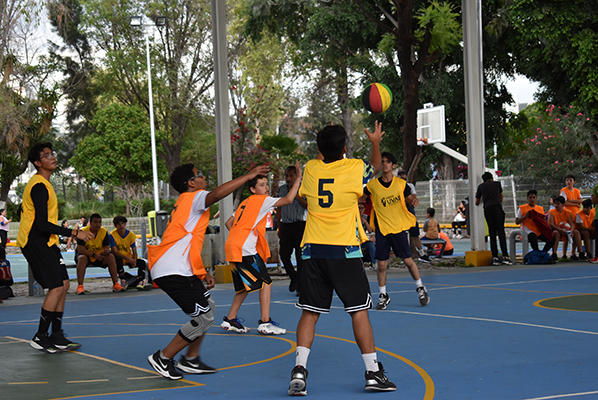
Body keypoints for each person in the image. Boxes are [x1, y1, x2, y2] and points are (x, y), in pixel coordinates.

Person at [289, 122, 397, 395]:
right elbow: (374, 166)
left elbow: (307, 185)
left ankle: (299, 370)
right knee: (358, 311)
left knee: (309, 312)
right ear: (345, 148)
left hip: (312, 250)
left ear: (319, 150)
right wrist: (375, 141)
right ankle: (373, 372)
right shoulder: (352, 168)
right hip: (344, 251)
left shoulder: (312, 169)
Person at [146, 162, 269, 380]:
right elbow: (218, 194)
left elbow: (188, 244)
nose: (204, 178)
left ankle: (191, 360)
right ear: (191, 183)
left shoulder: (189, 203)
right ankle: (163, 358)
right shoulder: (193, 197)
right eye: (200, 175)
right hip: (169, 269)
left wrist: (202, 273)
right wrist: (248, 175)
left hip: (179, 268)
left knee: (207, 308)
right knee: (203, 318)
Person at [17, 142, 94, 353]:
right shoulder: (38, 186)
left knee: (64, 284)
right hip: (34, 242)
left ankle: (57, 335)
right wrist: (75, 233)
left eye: (52, 154)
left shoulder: (45, 184)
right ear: (37, 162)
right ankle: (40, 336)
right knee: (57, 287)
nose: (52, 157)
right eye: (46, 155)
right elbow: (41, 224)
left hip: (46, 241)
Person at [221, 162, 302, 336]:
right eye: (262, 185)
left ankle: (230, 319)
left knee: (244, 287)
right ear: (253, 189)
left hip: (234, 246)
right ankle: (265, 323)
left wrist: (239, 236)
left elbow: (229, 223)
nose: (266, 188)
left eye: (266, 184)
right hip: (244, 249)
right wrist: (299, 179)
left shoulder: (245, 203)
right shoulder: (262, 200)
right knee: (265, 283)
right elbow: (288, 200)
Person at [364, 152, 430, 310]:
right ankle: (383, 295)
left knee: (408, 261)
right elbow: (359, 198)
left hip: (398, 229)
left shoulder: (401, 184)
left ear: (393, 165)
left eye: (387, 162)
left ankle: (420, 287)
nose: (384, 164)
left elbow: (410, 199)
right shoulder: (372, 186)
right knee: (381, 265)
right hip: (382, 230)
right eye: (382, 162)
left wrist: (414, 200)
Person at [276, 165, 307, 294]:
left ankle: (300, 285)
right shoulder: (282, 190)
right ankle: (293, 277)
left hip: (300, 225)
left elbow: (308, 206)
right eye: (287, 176)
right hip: (286, 225)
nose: (288, 178)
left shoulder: (304, 188)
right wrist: (279, 225)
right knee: (284, 254)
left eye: (291, 176)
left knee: (300, 257)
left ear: (296, 176)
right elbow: (279, 208)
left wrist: (297, 197)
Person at [75, 213, 124, 294]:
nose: (98, 224)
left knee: (111, 257)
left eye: (100, 222)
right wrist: (94, 255)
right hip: (86, 255)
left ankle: (116, 284)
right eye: (96, 222)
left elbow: (106, 247)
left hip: (99, 256)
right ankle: (80, 286)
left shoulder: (104, 232)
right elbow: (81, 250)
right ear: (90, 223)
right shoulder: (83, 232)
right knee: (82, 258)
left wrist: (105, 252)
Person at [475, 172, 513, 265]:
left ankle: (495, 256)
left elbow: (477, 202)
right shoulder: (497, 184)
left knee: (492, 233)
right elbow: (501, 198)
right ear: (491, 178)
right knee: (501, 232)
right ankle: (505, 256)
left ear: (483, 180)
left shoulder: (481, 187)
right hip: (497, 208)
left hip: (488, 209)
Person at [396, 169, 431, 263]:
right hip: (400, 215)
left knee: (415, 235)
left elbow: (414, 198)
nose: (402, 176)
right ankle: (404, 256)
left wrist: (411, 200)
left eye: (403, 174)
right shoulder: (395, 186)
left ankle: (422, 255)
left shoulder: (410, 186)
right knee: (402, 236)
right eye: (400, 175)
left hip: (410, 215)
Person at [110, 215, 152, 290]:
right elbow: (114, 251)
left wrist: (134, 260)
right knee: (117, 260)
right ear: (115, 225)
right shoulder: (112, 235)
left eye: (123, 223)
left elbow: (134, 250)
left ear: (125, 224)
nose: (121, 226)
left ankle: (141, 281)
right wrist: (128, 259)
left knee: (141, 262)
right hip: (120, 257)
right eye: (119, 224)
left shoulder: (131, 235)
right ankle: (123, 280)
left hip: (129, 256)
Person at [515, 190, 558, 257]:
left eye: (533, 197)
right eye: (530, 197)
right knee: (533, 236)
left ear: (536, 198)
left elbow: (543, 220)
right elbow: (517, 222)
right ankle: (536, 252)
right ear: (527, 198)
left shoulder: (540, 208)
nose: (532, 199)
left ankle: (543, 253)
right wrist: (526, 216)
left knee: (552, 238)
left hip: (539, 230)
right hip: (527, 230)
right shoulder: (522, 208)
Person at [548, 196, 582, 262]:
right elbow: (551, 224)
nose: (556, 205)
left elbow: (572, 223)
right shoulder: (551, 212)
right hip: (557, 229)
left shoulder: (568, 212)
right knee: (556, 233)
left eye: (558, 203)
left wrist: (571, 231)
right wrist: (559, 229)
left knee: (576, 232)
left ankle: (581, 253)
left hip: (567, 230)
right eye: (554, 203)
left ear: (563, 205)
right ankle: (554, 254)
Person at [560, 175, 583, 256]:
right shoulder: (564, 190)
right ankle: (564, 254)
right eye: (567, 180)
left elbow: (581, 200)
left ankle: (573, 253)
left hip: (575, 215)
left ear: (574, 182)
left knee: (575, 234)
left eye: (570, 180)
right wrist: (576, 203)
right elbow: (564, 202)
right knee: (566, 235)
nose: (569, 182)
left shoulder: (577, 191)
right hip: (567, 216)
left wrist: (572, 200)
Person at [358, 201, 376, 269]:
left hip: (363, 239)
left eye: (362, 208)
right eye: (359, 208)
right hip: (356, 240)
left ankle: (374, 263)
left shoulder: (365, 217)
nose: (360, 210)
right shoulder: (353, 218)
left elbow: (370, 230)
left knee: (371, 244)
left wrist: (365, 221)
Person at [591, 185, 598, 263]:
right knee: (597, 237)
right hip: (597, 217)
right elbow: (594, 200)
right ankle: (597, 256)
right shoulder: (596, 188)